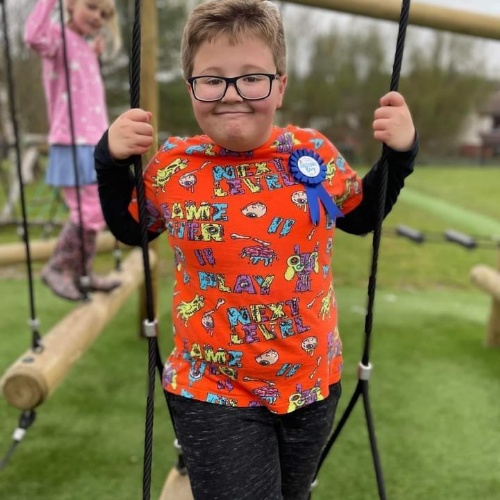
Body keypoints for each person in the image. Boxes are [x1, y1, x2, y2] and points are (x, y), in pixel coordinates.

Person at [95, 0, 418, 498]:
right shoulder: (173, 166)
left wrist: (399, 155)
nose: (232, 94)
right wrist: (111, 162)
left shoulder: (312, 154)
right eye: (212, 79)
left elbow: (359, 217)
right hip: (212, 388)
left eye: (252, 78)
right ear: (191, 87)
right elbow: (129, 228)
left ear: (280, 85)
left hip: (312, 381)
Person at [24, 0, 122, 301]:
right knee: (88, 210)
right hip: (72, 140)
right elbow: (33, 36)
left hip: (92, 141)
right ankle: (58, 267)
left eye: (104, 14)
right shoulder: (57, 38)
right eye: (91, 7)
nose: (97, 17)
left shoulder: (82, 46)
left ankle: (82, 273)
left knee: (96, 211)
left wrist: (91, 54)